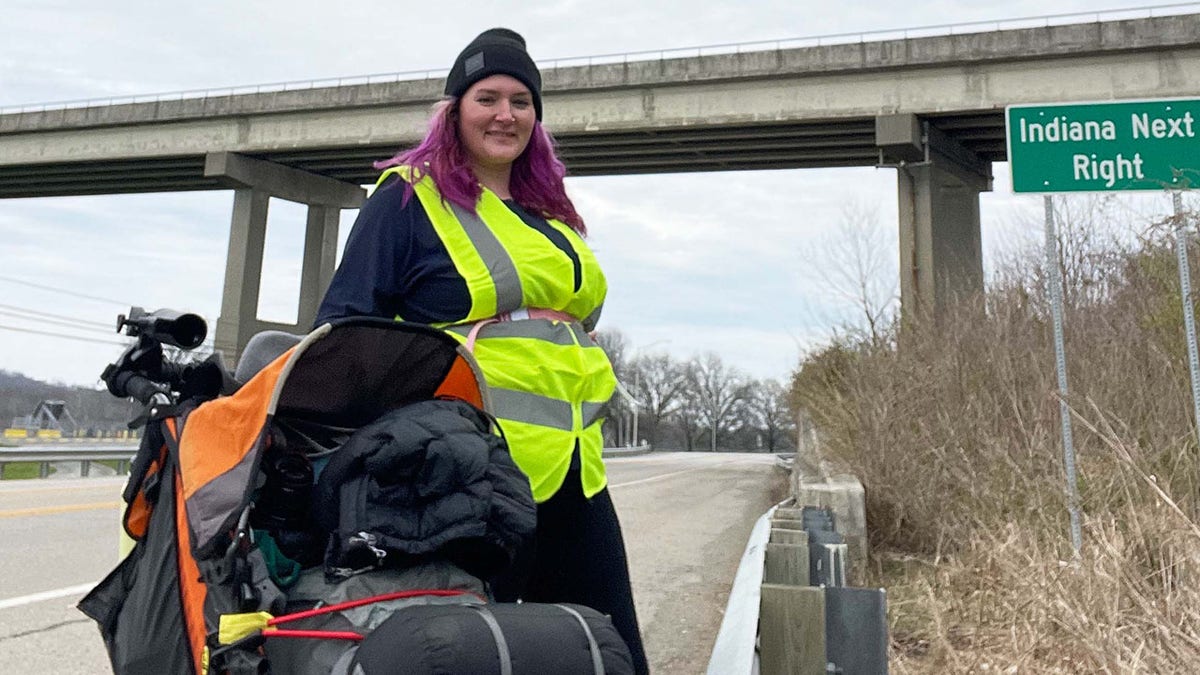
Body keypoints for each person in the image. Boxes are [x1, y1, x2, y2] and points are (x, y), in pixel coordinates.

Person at [315, 27, 650, 674]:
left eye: (521, 100)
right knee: (486, 660)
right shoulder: (408, 200)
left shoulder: (549, 215)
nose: (505, 114)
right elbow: (348, 335)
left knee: (609, 655)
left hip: (575, 471)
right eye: (487, 97)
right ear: (454, 110)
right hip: (469, 480)